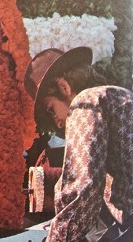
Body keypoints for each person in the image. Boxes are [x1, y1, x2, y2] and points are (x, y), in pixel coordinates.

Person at [24, 47, 133, 242]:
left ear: (64, 87)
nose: (57, 123)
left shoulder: (85, 101)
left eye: (50, 110)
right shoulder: (120, 96)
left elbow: (82, 189)